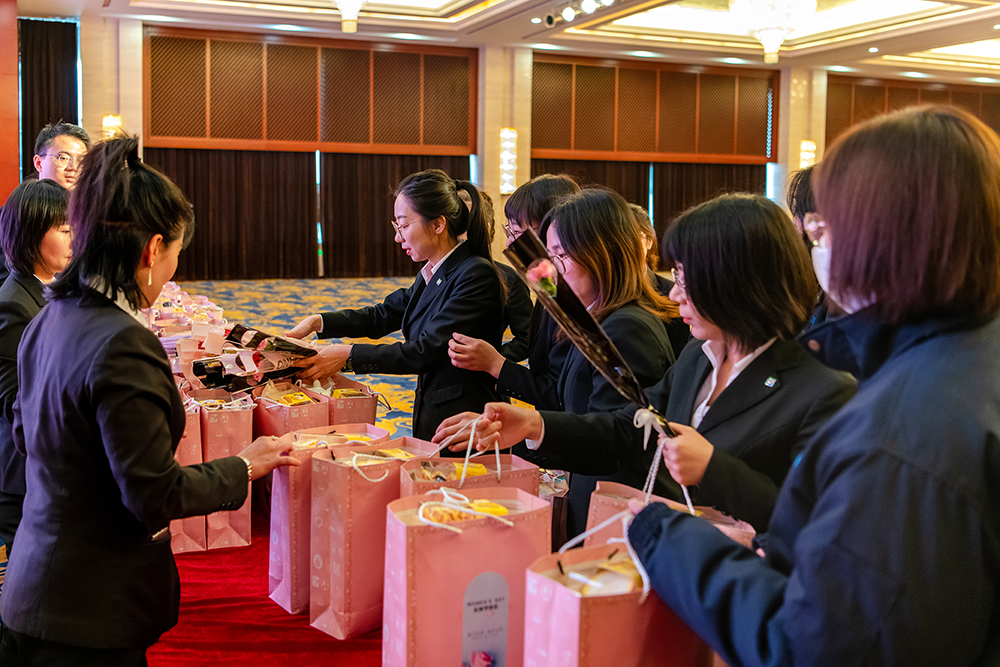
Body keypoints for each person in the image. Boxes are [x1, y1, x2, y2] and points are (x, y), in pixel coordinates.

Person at [0, 134, 297, 666]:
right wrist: (244, 466)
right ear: (152, 249)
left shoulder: (50, 316)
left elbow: (27, 436)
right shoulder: (121, 343)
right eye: (176, 255)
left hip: (37, 579)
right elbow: (153, 494)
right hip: (90, 606)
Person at [440, 193, 857, 533]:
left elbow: (810, 517)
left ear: (737, 282)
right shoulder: (700, 355)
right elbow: (631, 425)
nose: (675, 296)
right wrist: (535, 425)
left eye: (685, 280)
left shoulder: (824, 391)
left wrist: (715, 469)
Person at [442, 188, 676, 536]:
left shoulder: (627, 327)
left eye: (561, 256)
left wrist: (534, 426)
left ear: (603, 255)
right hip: (594, 492)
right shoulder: (591, 319)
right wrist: (518, 428)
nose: (551, 270)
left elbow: (620, 435)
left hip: (623, 507)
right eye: (548, 255)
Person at [287, 169, 505, 441]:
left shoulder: (474, 274)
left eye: (403, 226)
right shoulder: (434, 271)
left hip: (465, 418)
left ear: (438, 224)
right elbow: (382, 316)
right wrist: (319, 321)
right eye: (396, 226)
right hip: (435, 409)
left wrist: (348, 354)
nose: (397, 237)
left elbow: (425, 351)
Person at [0, 179, 71, 556]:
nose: (74, 237)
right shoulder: (13, 305)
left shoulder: (47, 287)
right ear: (30, 235)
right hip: (20, 474)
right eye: (64, 229)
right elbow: (15, 401)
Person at [458, 187, 531, 363]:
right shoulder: (432, 274)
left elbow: (527, 338)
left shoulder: (509, 278)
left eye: (463, 225)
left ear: (486, 229)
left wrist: (491, 359)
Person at [629, 202, 690, 358]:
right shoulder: (600, 289)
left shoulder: (670, 293)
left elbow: (679, 355)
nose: (626, 245)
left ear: (649, 241)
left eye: (633, 236)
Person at [32, 122, 91, 191]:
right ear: (38, 163)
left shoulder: (89, 201)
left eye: (81, 160)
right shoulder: (24, 200)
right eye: (64, 158)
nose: (74, 167)